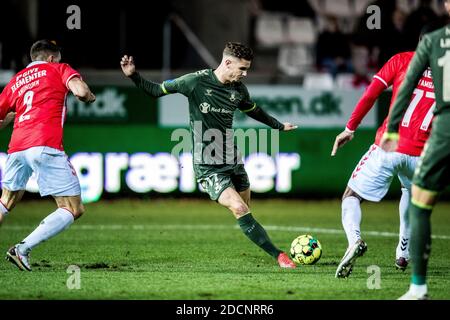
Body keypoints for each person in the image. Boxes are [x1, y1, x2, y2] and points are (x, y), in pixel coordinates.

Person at [121, 42, 297, 268]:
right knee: (240, 209)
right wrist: (134, 75)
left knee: (245, 209)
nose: (245, 74)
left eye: (247, 69)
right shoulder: (195, 81)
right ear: (227, 62)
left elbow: (253, 110)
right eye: (242, 69)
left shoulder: (238, 90)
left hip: (232, 159)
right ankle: (280, 256)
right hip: (208, 164)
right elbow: (156, 91)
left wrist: (278, 126)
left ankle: (258, 239)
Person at [331, 25, 438, 279]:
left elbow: (370, 95)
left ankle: (354, 240)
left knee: (352, 196)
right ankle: (403, 251)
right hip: (422, 155)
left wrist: (350, 128)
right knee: (409, 193)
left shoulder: (401, 60)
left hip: (388, 147)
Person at [0, 40, 96, 271]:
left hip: (16, 147)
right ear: (52, 58)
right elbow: (81, 92)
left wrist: (12, 119)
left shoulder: (16, 81)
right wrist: (90, 96)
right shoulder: (59, 69)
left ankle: (20, 249)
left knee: (5, 202)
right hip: (44, 144)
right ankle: (21, 249)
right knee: (73, 208)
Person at [381, 1, 450, 300]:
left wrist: (393, 128)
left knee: (420, 201)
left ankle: (418, 288)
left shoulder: (434, 40)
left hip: (445, 126)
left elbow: (407, 85)